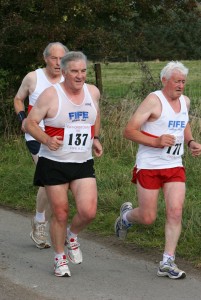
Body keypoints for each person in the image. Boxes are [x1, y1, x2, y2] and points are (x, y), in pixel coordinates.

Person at [114, 61, 201, 279]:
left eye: (183, 81)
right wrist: (156, 141)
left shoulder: (185, 102)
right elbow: (129, 131)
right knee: (148, 216)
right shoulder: (153, 101)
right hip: (149, 166)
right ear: (164, 80)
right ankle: (125, 217)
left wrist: (190, 142)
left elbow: (184, 123)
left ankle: (167, 261)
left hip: (174, 165)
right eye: (176, 81)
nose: (180, 85)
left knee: (175, 211)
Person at [25, 51, 103, 277]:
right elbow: (30, 123)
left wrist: (95, 138)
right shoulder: (51, 95)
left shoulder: (92, 92)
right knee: (60, 213)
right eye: (75, 71)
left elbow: (95, 115)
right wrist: (46, 139)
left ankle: (72, 235)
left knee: (88, 212)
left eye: (83, 71)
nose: (80, 76)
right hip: (54, 162)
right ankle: (60, 259)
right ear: (65, 72)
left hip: (82, 161)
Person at [14, 42, 69, 249]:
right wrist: (22, 119)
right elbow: (18, 99)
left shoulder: (69, 78)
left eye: (61, 58)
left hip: (63, 138)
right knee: (49, 178)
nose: (58, 63)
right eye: (54, 58)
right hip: (37, 136)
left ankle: (56, 224)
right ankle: (40, 222)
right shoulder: (33, 78)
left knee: (64, 181)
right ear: (45, 58)